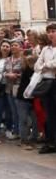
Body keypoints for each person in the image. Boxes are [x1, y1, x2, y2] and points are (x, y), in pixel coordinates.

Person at [34, 23, 56, 154]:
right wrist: (47, 67)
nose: (51, 34)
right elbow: (37, 66)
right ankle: (50, 141)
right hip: (47, 82)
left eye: (53, 31)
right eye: (49, 32)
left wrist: (46, 65)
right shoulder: (45, 49)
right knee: (48, 113)